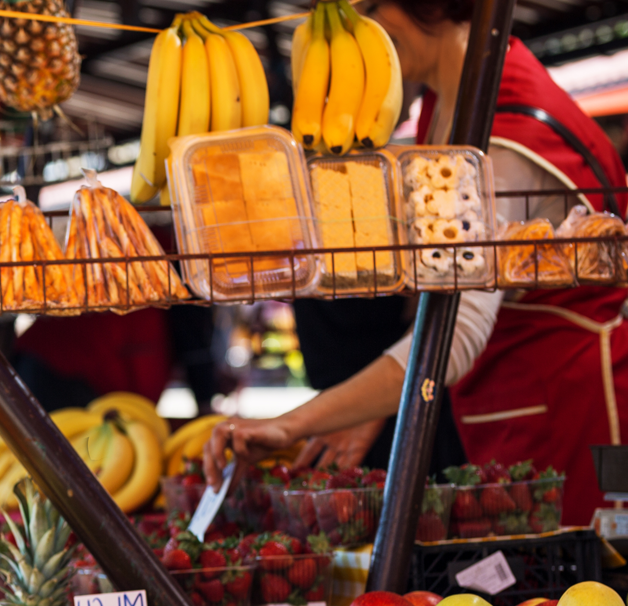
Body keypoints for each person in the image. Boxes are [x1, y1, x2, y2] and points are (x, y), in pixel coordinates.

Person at [207, 0, 628, 525]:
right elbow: (439, 293)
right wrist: (377, 403)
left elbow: (458, 327)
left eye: (367, 9)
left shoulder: (507, 131)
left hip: (565, 412)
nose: (356, 34)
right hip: (508, 406)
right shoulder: (449, 103)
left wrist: (295, 423)